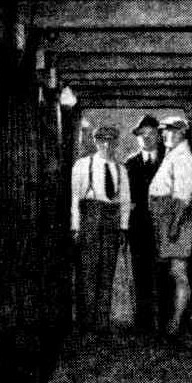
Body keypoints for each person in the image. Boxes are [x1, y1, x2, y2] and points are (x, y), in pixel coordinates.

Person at [71, 125, 130, 332]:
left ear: (115, 143)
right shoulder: (83, 165)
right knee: (88, 271)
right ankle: (85, 324)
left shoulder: (121, 169)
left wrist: (123, 228)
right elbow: (75, 199)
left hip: (112, 222)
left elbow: (125, 201)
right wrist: (76, 227)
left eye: (111, 141)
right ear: (96, 142)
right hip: (90, 218)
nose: (106, 145)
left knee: (107, 271)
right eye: (102, 141)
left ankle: (102, 323)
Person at [149, 116, 192, 337]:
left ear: (181, 133)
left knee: (178, 272)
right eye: (164, 131)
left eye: (169, 131)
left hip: (175, 218)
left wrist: (175, 225)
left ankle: (176, 323)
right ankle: (172, 322)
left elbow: (183, 197)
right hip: (167, 217)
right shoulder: (173, 154)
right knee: (173, 271)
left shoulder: (183, 157)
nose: (165, 135)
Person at [124, 114, 165, 331]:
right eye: (142, 135)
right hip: (138, 228)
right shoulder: (130, 164)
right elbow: (125, 198)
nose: (146, 138)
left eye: (151, 134)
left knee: (163, 272)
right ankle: (143, 322)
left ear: (159, 137)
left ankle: (164, 321)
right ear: (137, 138)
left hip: (164, 227)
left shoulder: (168, 162)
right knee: (140, 272)